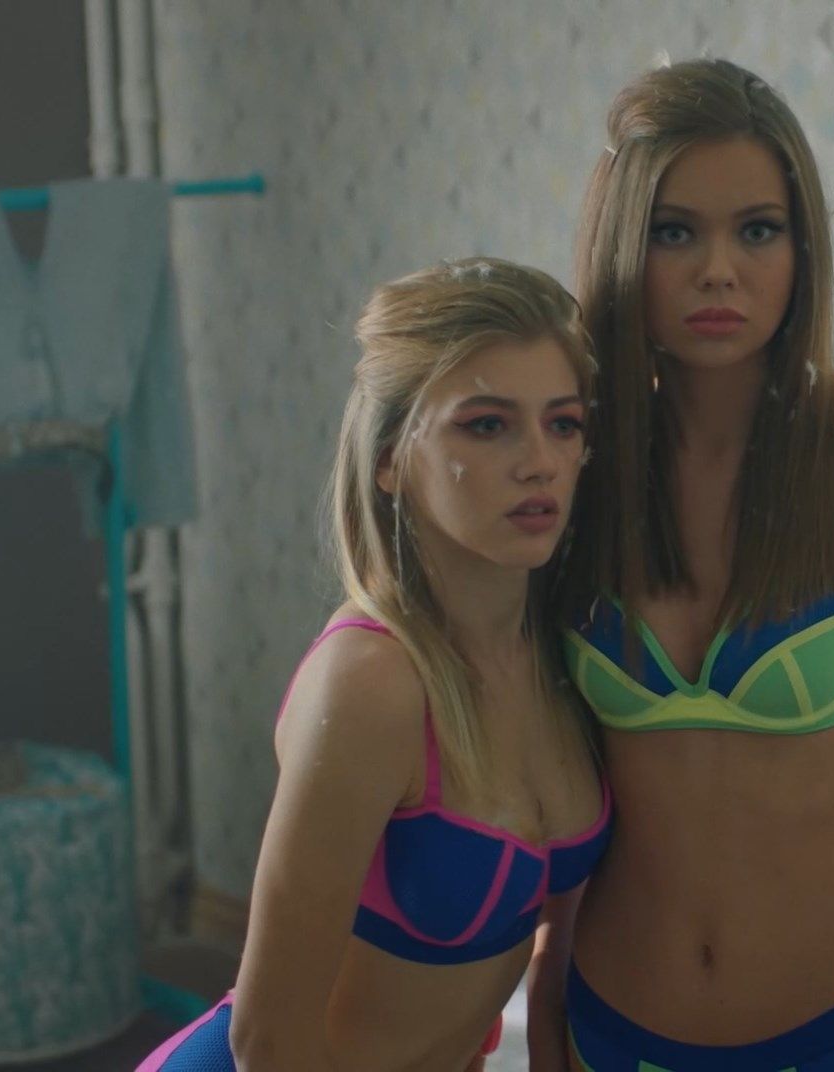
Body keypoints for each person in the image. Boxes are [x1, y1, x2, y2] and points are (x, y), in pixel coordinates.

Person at [539, 58, 834, 1072]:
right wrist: (543, 1000)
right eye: (674, 232)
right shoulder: (574, 463)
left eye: (757, 230)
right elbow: (550, 776)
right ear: (622, 244)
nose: (719, 270)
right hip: (611, 1029)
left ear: (802, 249)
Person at [138, 257, 611, 1072]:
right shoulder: (373, 682)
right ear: (390, 458)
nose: (539, 461)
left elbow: (550, 967)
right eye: (486, 425)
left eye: (562, 424)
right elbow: (266, 1040)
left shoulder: (565, 660)